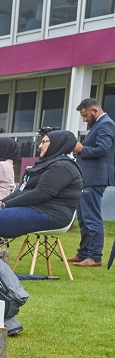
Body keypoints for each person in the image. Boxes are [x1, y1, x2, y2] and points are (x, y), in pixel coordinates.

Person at [0, 130, 82, 252]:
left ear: (57, 144)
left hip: (51, 214)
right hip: (35, 208)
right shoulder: (46, 163)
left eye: (44, 142)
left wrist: (5, 205)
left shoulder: (63, 167)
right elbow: (23, 189)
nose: (40, 146)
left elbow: (39, 194)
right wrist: (2, 201)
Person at [70, 98, 115, 266]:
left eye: (85, 115)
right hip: (87, 177)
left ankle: (95, 257)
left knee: (91, 218)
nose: (84, 119)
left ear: (95, 110)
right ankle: (83, 253)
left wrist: (82, 149)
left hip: (95, 178)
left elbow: (103, 149)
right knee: (82, 218)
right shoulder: (99, 124)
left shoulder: (106, 124)